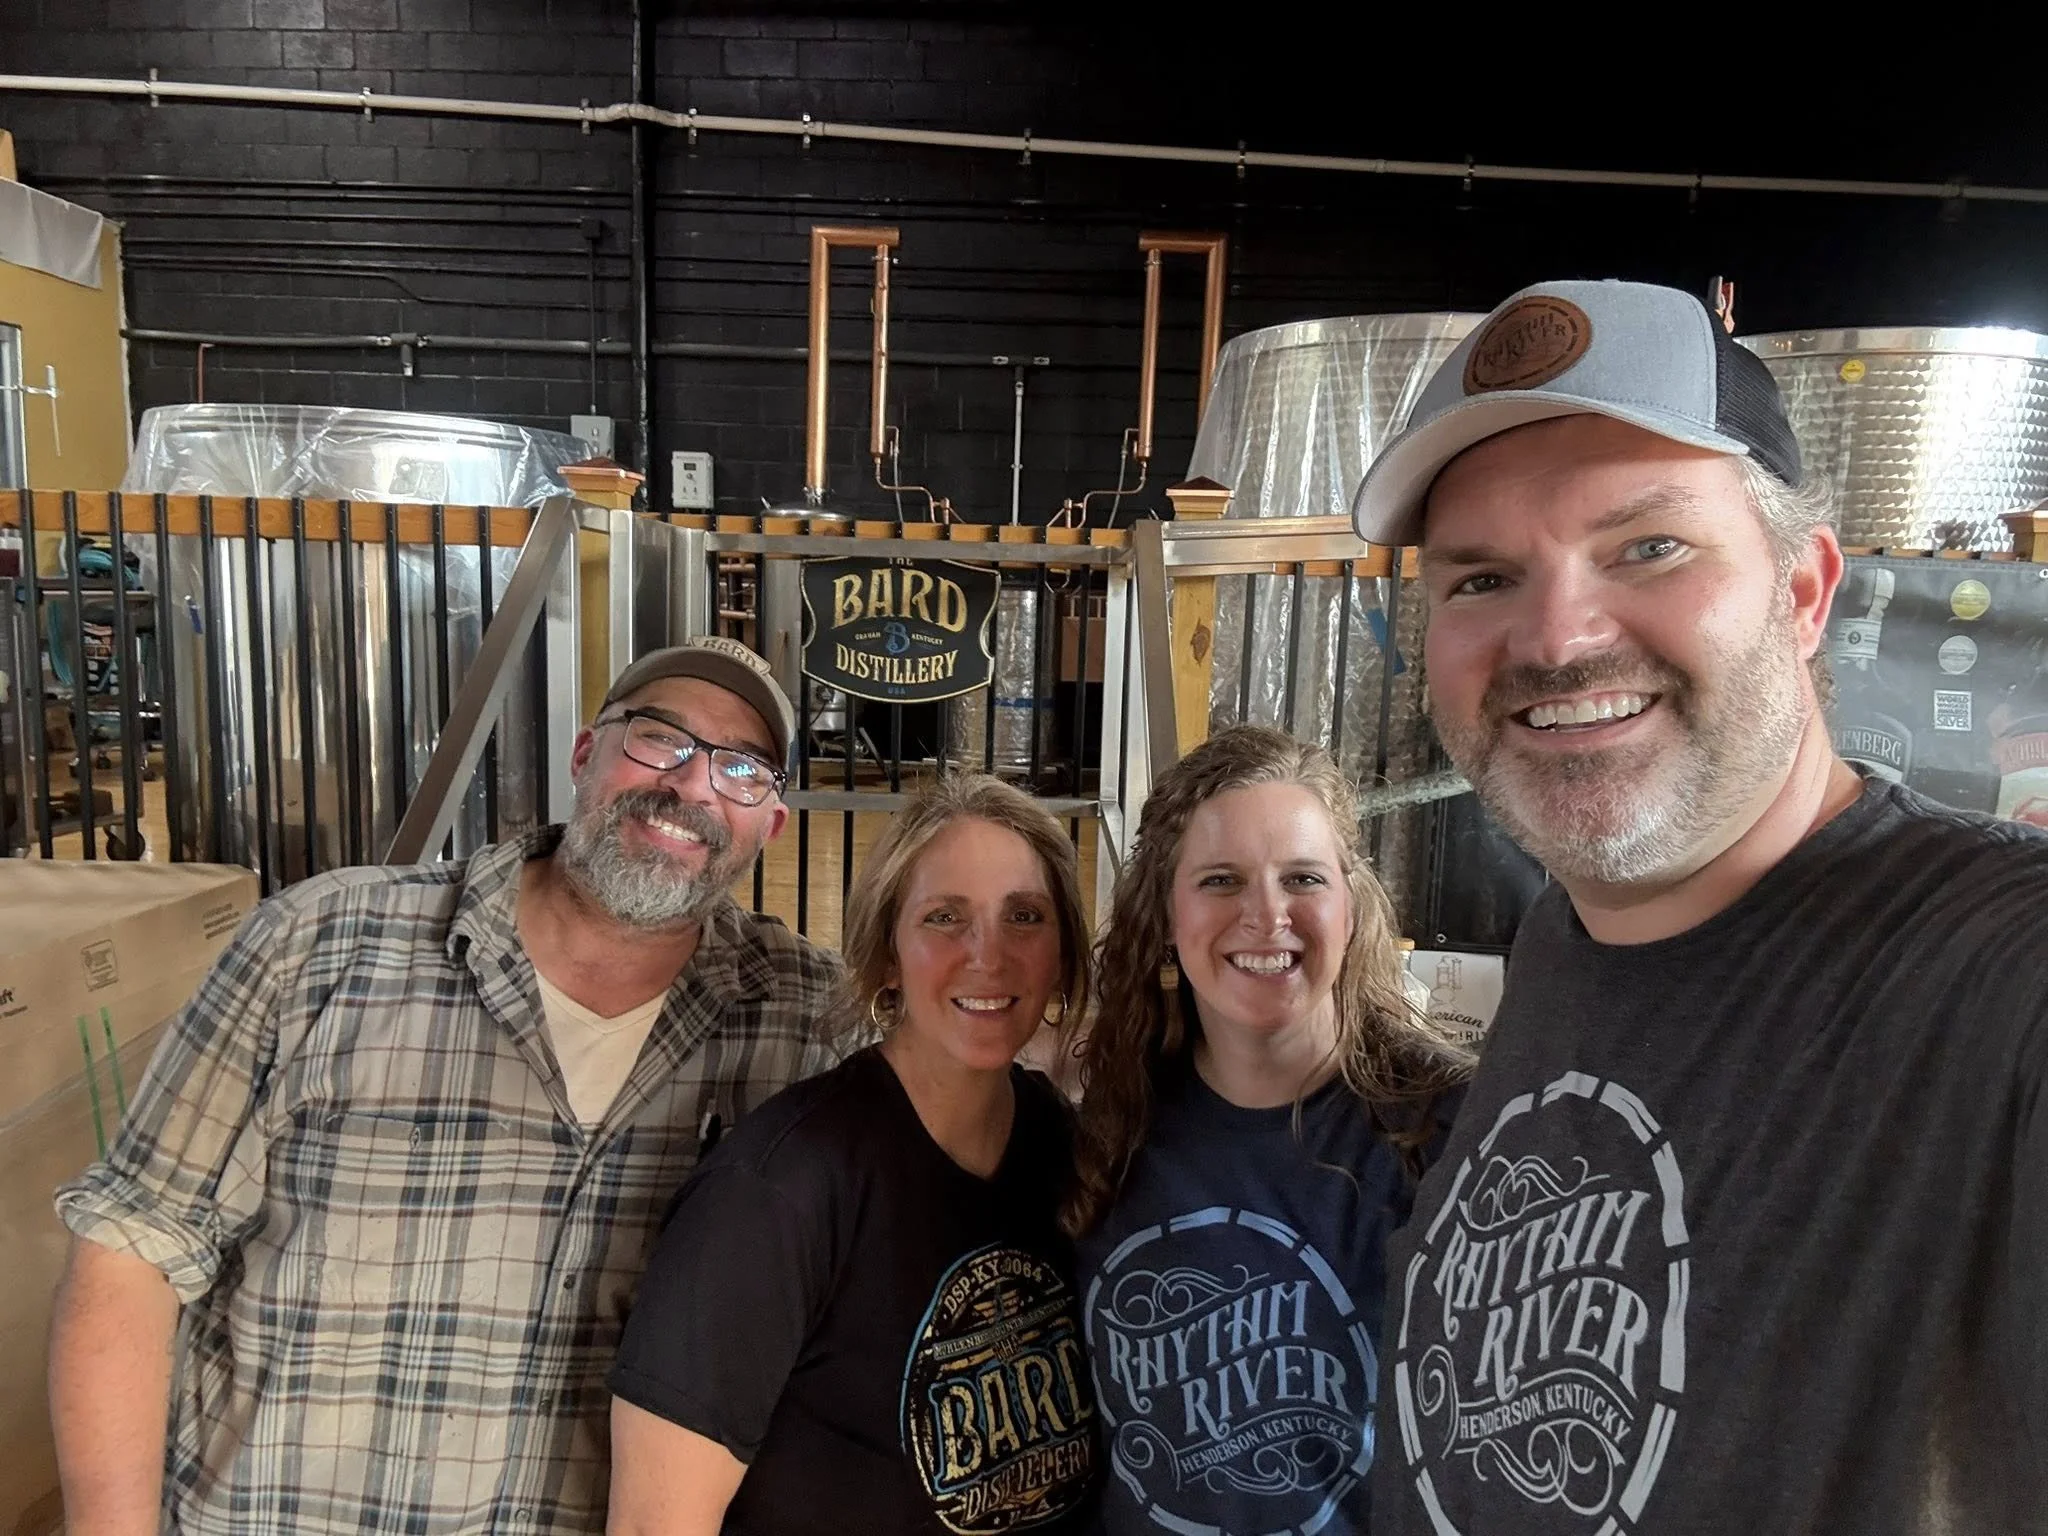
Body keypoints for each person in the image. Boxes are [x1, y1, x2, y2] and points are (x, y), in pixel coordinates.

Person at [1349, 278, 2048, 1536]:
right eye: (1481, 578)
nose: (1554, 641)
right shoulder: (1569, 939)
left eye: (1646, 547)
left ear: (1802, 591)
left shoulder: (1993, 975)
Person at [48, 636, 841, 1536]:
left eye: (742, 770)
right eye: (661, 737)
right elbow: (132, 1249)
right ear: (586, 754)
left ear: (771, 826)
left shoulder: (804, 1020)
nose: (693, 785)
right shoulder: (320, 944)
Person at [607, 774, 1100, 1536]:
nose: (988, 955)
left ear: (1061, 954)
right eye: (944, 917)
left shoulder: (1059, 1145)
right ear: (889, 955)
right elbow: (654, 1524)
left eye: (1024, 917)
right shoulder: (775, 1192)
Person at [1066, 725, 1468, 1536]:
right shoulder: (1107, 1126)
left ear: (1351, 906)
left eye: (1303, 878)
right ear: (1166, 915)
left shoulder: (1452, 1130)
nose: (1267, 915)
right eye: (1221, 880)